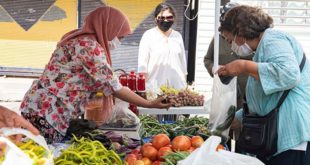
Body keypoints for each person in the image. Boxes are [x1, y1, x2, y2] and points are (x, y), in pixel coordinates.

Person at [19, 6, 170, 144]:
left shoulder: (78, 38)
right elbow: (114, 86)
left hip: (40, 106)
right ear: (107, 27)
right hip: (47, 112)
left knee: (35, 150)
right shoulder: (89, 46)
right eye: (120, 37)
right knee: (39, 154)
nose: (120, 42)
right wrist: (149, 104)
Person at [218, 5, 310, 165]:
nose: (231, 45)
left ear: (240, 32)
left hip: (290, 136)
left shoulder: (272, 39)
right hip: (277, 138)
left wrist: (243, 66)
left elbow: (289, 74)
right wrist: (237, 118)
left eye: (230, 40)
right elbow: (266, 99)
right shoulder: (262, 48)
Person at [204, 2, 252, 110]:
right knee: (226, 120)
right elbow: (208, 59)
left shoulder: (249, 38)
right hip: (225, 90)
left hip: (247, 91)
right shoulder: (218, 38)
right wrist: (213, 68)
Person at [138, 2, 187, 91]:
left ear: (174, 18)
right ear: (155, 19)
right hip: (154, 90)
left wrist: (185, 86)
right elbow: (142, 66)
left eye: (169, 17)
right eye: (161, 17)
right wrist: (144, 91)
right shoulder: (148, 36)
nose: (165, 20)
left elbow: (183, 64)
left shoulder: (177, 36)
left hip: (178, 89)